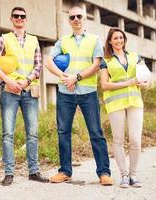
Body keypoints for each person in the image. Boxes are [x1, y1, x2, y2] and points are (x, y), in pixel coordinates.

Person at [46, 6, 113, 186]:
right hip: (65, 92)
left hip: (87, 93)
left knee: (96, 133)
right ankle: (65, 171)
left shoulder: (94, 40)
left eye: (79, 16)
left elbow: (97, 64)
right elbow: (48, 62)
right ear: (69, 20)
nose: (76, 19)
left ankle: (104, 172)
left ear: (85, 19)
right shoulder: (62, 41)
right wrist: (63, 77)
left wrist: (76, 77)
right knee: (63, 132)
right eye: (72, 17)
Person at [0, 6, 48, 186]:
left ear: (25, 19)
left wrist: (26, 81)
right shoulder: (4, 39)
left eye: (22, 16)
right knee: (8, 134)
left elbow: (38, 66)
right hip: (9, 91)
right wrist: (8, 81)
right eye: (16, 16)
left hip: (29, 90)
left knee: (33, 133)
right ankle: (9, 173)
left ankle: (34, 171)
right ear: (11, 19)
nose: (19, 18)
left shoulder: (34, 40)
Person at [100, 27, 149, 188]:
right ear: (110, 41)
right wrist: (127, 83)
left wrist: (145, 83)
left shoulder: (135, 57)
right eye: (115, 38)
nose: (118, 40)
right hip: (115, 104)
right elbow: (104, 85)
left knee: (135, 140)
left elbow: (146, 78)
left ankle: (133, 174)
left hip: (135, 102)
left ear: (124, 40)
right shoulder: (105, 60)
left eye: (121, 37)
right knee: (118, 140)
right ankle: (124, 175)